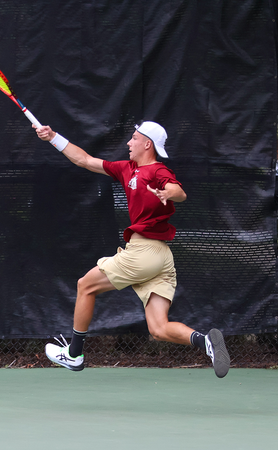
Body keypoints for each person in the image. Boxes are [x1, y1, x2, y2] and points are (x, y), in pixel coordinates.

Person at [33, 120, 230, 378]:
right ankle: (205, 342)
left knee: (85, 285)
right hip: (161, 259)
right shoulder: (127, 169)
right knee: (158, 328)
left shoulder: (157, 170)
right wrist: (53, 137)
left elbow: (178, 190)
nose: (129, 142)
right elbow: (84, 160)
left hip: (144, 253)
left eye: (134, 138)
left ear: (147, 144)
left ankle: (74, 354)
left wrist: (167, 193)